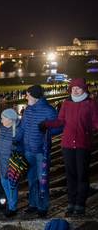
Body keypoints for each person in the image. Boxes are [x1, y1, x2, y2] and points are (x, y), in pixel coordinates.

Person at [42, 78, 98, 216]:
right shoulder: (66, 103)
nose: (75, 90)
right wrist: (47, 124)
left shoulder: (90, 104)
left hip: (82, 144)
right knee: (70, 175)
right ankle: (71, 202)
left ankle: (80, 204)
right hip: (67, 145)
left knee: (82, 175)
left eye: (78, 88)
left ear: (84, 89)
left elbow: (96, 122)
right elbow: (60, 121)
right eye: (73, 88)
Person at [15, 85, 59, 218]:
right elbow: (22, 128)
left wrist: (47, 127)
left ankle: (43, 206)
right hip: (28, 151)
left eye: (27, 94)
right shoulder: (28, 109)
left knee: (42, 181)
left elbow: (60, 127)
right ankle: (33, 204)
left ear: (34, 95)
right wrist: (15, 139)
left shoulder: (48, 110)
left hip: (41, 152)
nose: (26, 97)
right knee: (31, 180)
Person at [0, 108, 22, 217]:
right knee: (4, 184)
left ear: (10, 119)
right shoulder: (2, 128)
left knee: (12, 186)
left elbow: (20, 147)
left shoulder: (18, 130)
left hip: (12, 163)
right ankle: (10, 203)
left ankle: (12, 207)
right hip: (2, 162)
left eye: (3, 118)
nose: (1, 120)